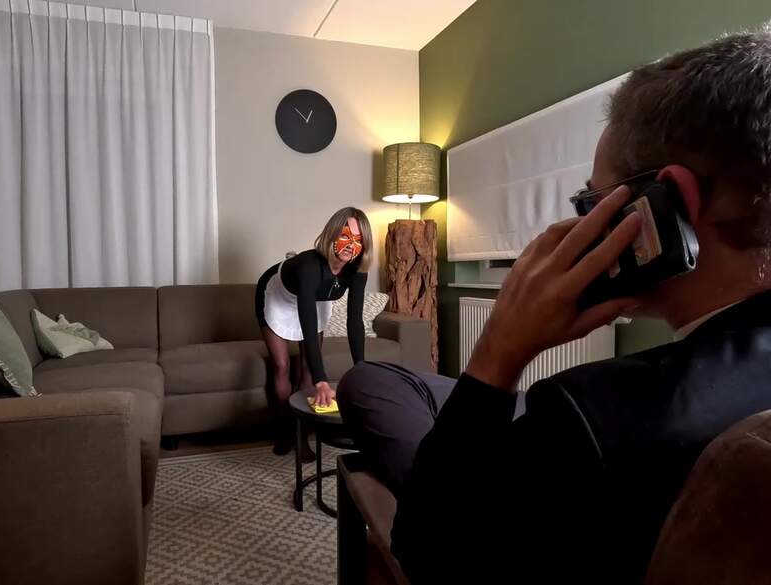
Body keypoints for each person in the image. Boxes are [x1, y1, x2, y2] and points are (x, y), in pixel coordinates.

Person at [338, 30, 771, 585]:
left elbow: (427, 551)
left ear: (670, 204)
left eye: (592, 202)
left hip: (518, 496)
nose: (583, 225)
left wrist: (499, 349)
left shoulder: (588, 414)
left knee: (373, 390)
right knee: (376, 379)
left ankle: (460, 470)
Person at [255, 207, 373, 459]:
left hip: (315, 298)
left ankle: (301, 438)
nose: (351, 245)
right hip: (278, 296)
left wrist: (361, 368)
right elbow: (307, 326)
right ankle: (284, 431)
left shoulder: (357, 270)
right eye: (345, 235)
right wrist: (322, 380)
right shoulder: (309, 265)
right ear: (333, 233)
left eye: (359, 239)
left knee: (308, 367)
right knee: (282, 365)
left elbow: (355, 321)